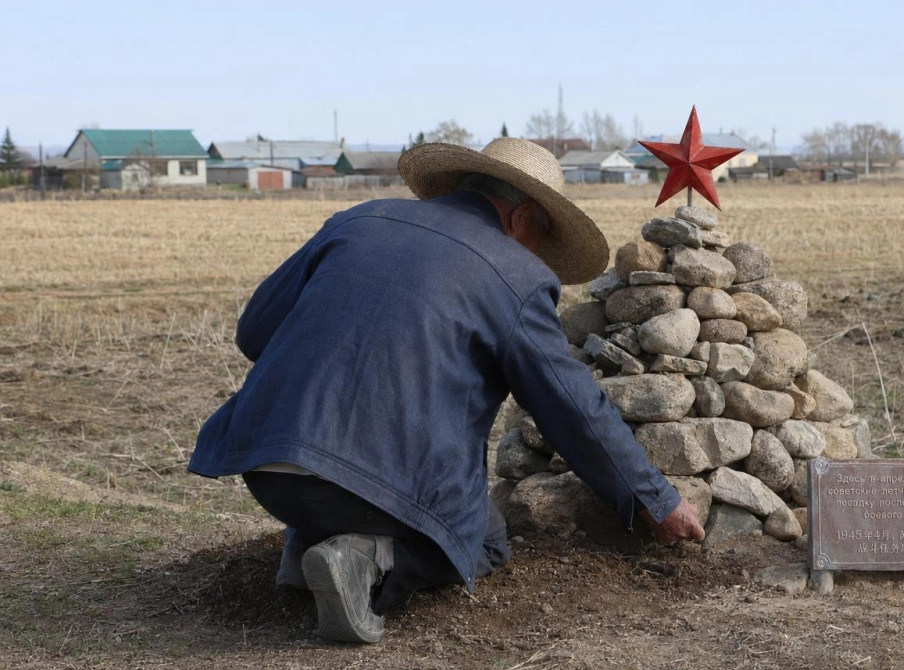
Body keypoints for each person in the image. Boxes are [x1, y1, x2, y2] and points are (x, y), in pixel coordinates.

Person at [187, 138, 706, 644]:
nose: (536, 252)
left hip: (265, 466)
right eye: (540, 236)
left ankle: (307, 553)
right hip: (371, 488)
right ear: (523, 216)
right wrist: (652, 497)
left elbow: (254, 331)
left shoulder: (358, 220)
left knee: (342, 477)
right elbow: (570, 406)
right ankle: (367, 560)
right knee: (484, 538)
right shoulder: (516, 276)